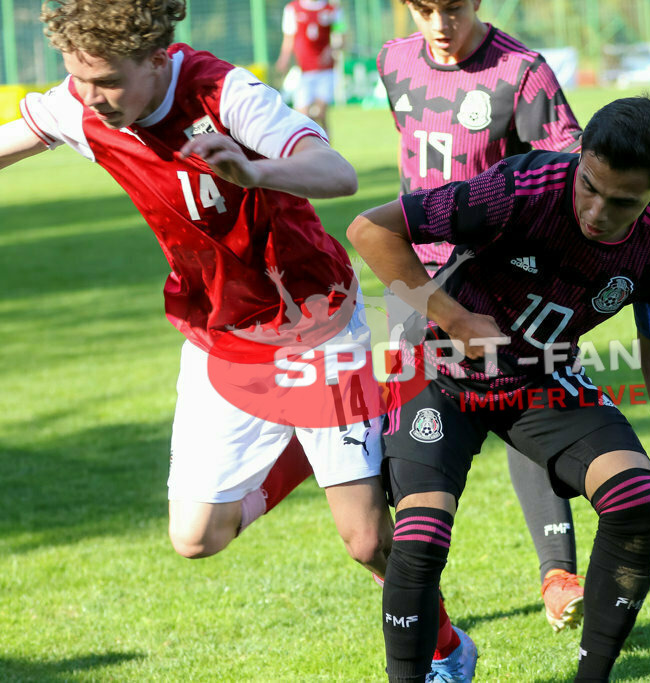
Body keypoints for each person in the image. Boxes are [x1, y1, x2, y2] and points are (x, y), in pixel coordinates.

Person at [0, 1, 471, 679]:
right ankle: (312, 445)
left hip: (314, 324)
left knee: (367, 540)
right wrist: (83, 92)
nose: (90, 97)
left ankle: (446, 646)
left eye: (106, 81)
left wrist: (256, 172)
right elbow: (19, 134)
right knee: (196, 537)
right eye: (78, 78)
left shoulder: (224, 95)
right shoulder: (81, 104)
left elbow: (335, 172)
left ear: (157, 59)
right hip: (220, 336)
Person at [347, 95, 650, 682]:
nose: (597, 211)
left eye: (622, 202)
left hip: (539, 377)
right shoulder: (519, 190)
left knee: (635, 497)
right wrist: (454, 318)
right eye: (590, 186)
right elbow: (370, 229)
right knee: (421, 537)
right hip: (438, 371)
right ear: (580, 157)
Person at [377, 0, 588, 633]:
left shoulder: (522, 72)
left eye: (453, 8)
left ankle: (559, 575)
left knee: (527, 408)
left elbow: (574, 171)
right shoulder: (393, 62)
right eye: (424, 10)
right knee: (410, 434)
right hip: (416, 281)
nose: (440, 24)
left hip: (500, 281)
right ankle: (423, 601)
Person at [276, 0, 345, 136]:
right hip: (303, 71)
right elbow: (289, 38)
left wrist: (330, 50)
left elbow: (342, 38)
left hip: (325, 71)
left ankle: (325, 144)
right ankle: (311, 145)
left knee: (320, 113)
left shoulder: (332, 9)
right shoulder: (292, 9)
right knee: (303, 117)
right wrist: (284, 59)